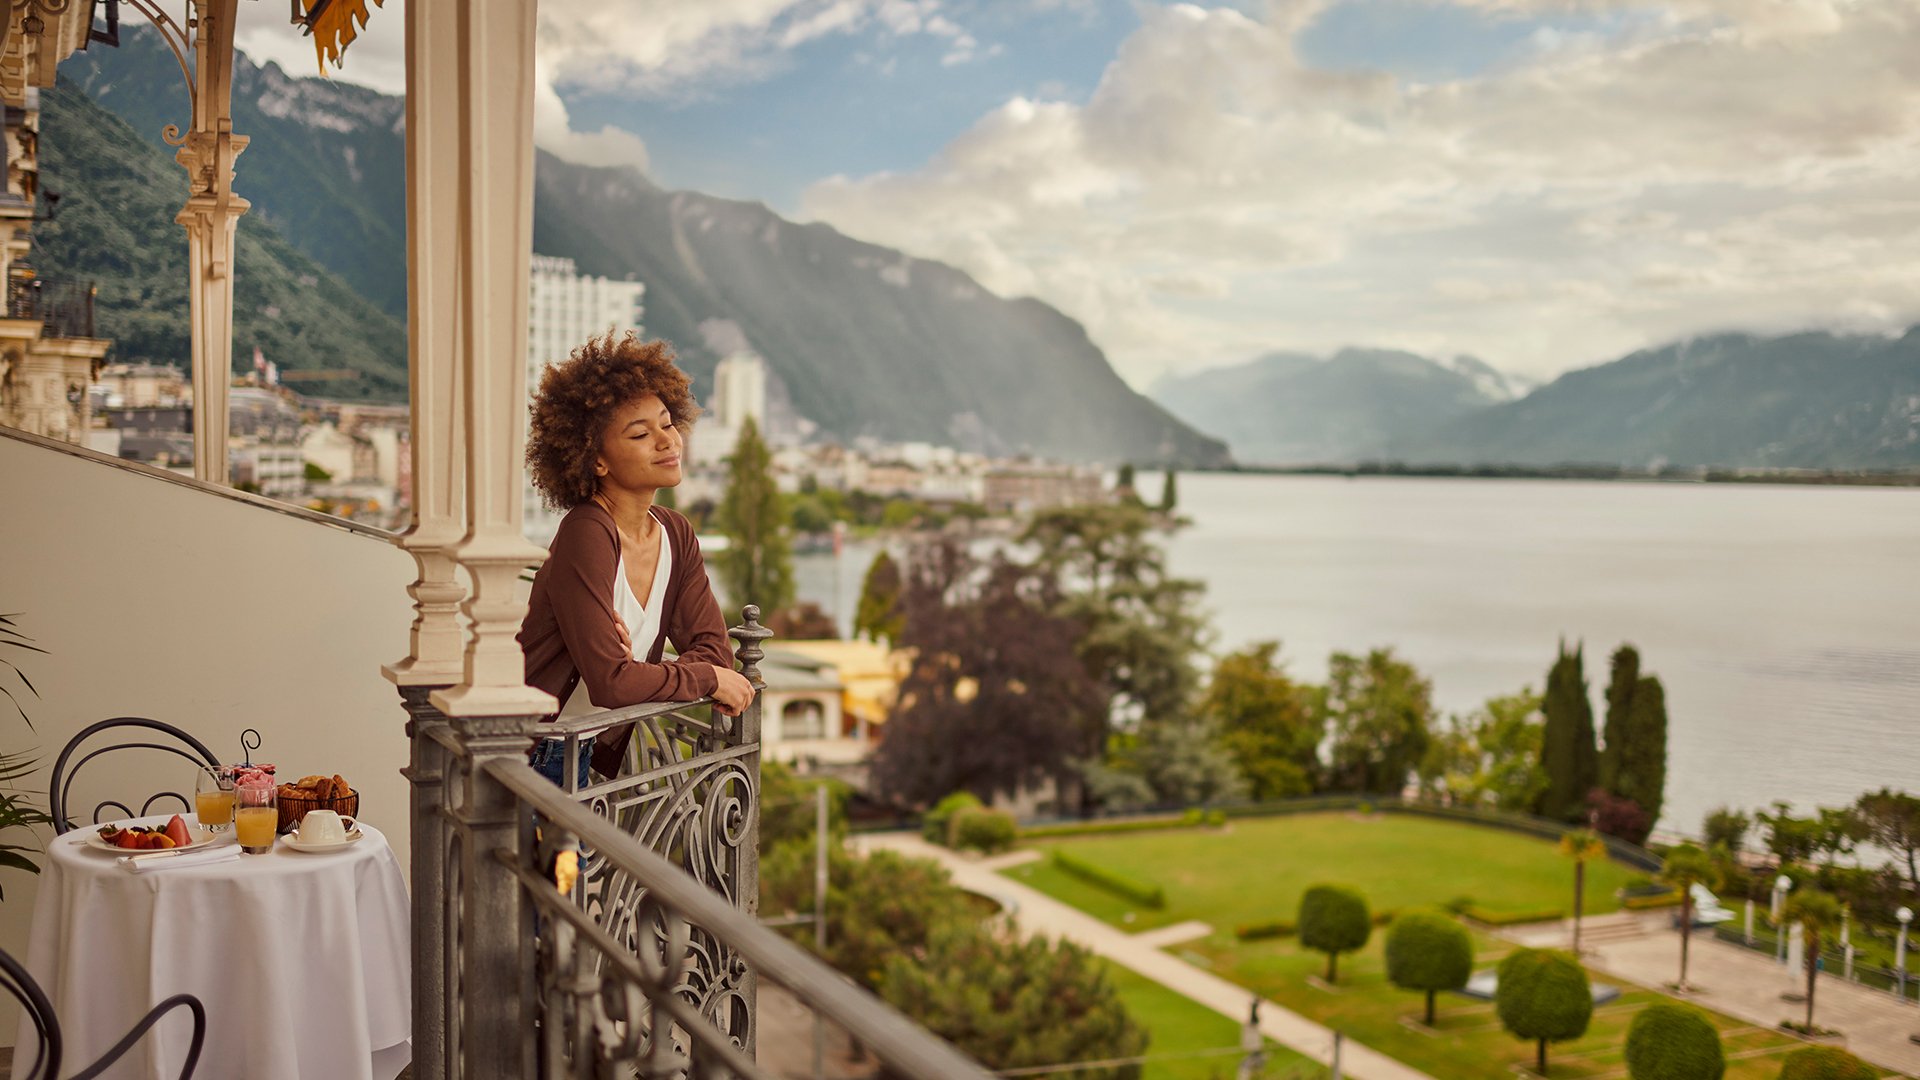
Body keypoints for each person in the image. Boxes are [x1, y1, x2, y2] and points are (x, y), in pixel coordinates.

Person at [518, 331, 755, 787]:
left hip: (581, 750)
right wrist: (703, 678)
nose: (667, 441)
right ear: (597, 460)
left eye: (667, 423)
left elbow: (714, 649)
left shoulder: (675, 532)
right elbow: (611, 684)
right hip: (531, 754)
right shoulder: (586, 532)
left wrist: (646, 672)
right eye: (641, 434)